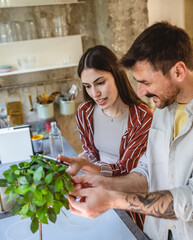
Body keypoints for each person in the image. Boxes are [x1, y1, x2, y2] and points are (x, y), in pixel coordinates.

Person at [67, 22, 193, 240]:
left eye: (146, 82)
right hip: (160, 233)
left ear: (178, 71)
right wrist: (104, 183)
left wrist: (112, 200)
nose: (141, 91)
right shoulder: (164, 107)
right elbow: (148, 171)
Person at [58, 45, 153, 228]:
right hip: (96, 192)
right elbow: (90, 152)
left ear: (117, 75)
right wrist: (81, 160)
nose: (95, 94)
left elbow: (126, 171)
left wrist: (85, 165)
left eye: (100, 82)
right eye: (88, 86)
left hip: (127, 199)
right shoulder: (85, 112)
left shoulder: (142, 118)